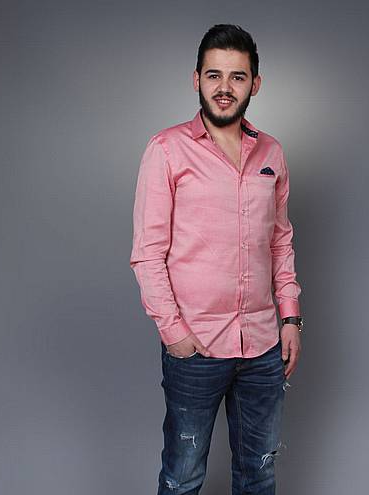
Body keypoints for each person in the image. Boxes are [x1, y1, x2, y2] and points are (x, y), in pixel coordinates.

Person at [130, 23, 303, 495]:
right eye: (214, 75)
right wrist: (175, 335)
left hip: (263, 348)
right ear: (196, 80)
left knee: (258, 476)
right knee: (182, 478)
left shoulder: (272, 152)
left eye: (237, 77)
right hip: (196, 348)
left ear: (255, 84)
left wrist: (291, 318)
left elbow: (280, 241)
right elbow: (147, 255)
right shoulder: (166, 150)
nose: (224, 88)